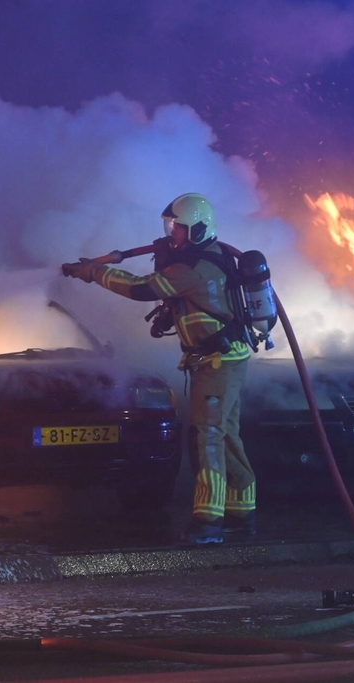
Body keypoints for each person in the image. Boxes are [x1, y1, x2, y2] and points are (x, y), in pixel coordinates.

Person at [62, 193, 256, 543]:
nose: (172, 234)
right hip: (225, 358)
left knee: (205, 436)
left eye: (178, 228)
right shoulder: (210, 255)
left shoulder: (193, 267)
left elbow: (142, 289)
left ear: (197, 229)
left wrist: (93, 271)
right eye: (169, 226)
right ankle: (241, 511)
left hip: (217, 362)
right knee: (224, 433)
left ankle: (208, 522)